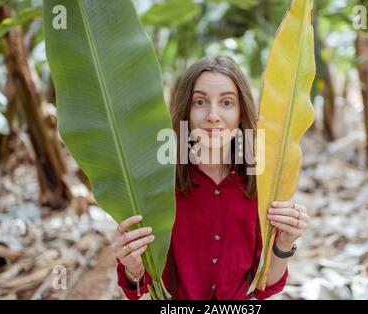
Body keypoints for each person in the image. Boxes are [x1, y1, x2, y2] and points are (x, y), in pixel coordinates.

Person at [112, 56, 310, 300]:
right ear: (186, 110)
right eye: (200, 102)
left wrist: (285, 242)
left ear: (240, 113)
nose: (213, 115)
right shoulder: (158, 185)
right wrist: (132, 266)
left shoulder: (262, 184)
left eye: (227, 102)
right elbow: (140, 286)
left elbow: (265, 284)